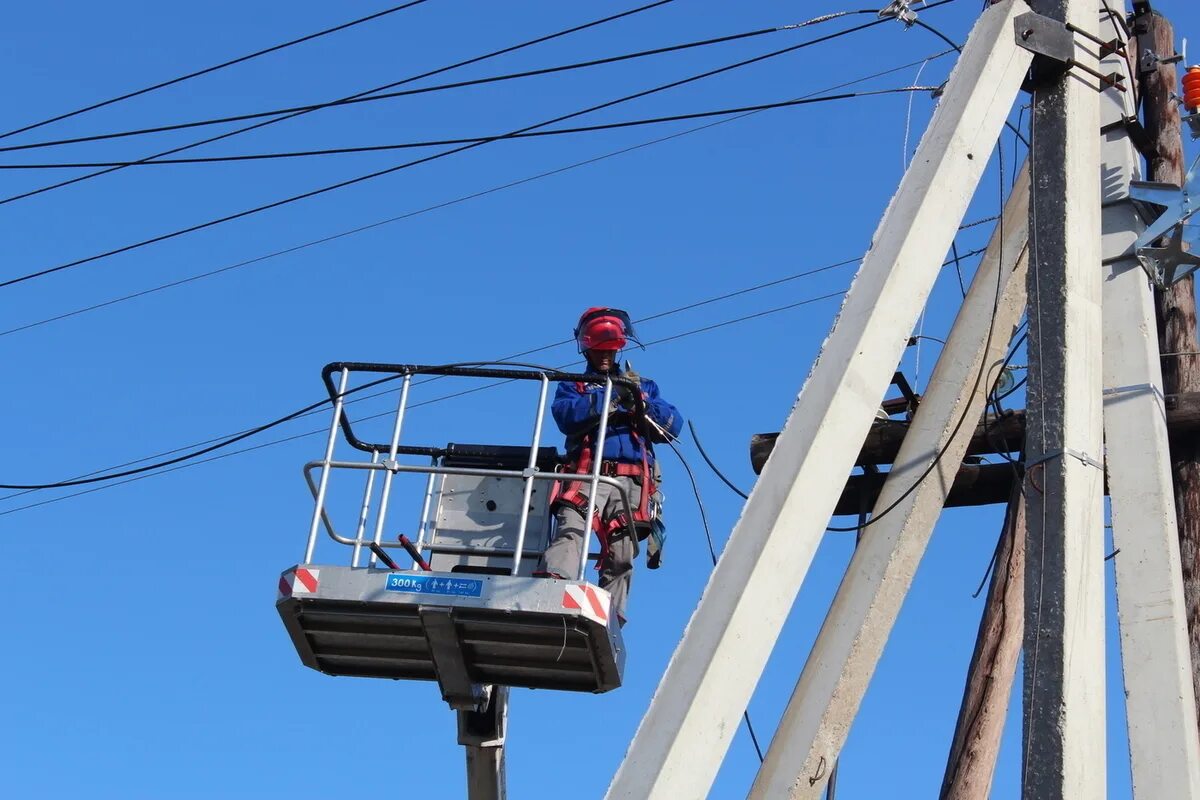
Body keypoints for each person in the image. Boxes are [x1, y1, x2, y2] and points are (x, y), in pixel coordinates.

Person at [536, 307, 682, 624]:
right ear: (587, 348)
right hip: (588, 476)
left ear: (619, 347)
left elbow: (673, 425)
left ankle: (610, 620)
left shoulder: (643, 385)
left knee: (622, 553)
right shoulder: (574, 385)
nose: (605, 356)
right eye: (599, 350)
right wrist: (611, 397)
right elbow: (567, 416)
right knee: (571, 531)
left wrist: (641, 402)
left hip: (631, 484)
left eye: (610, 350)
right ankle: (553, 592)